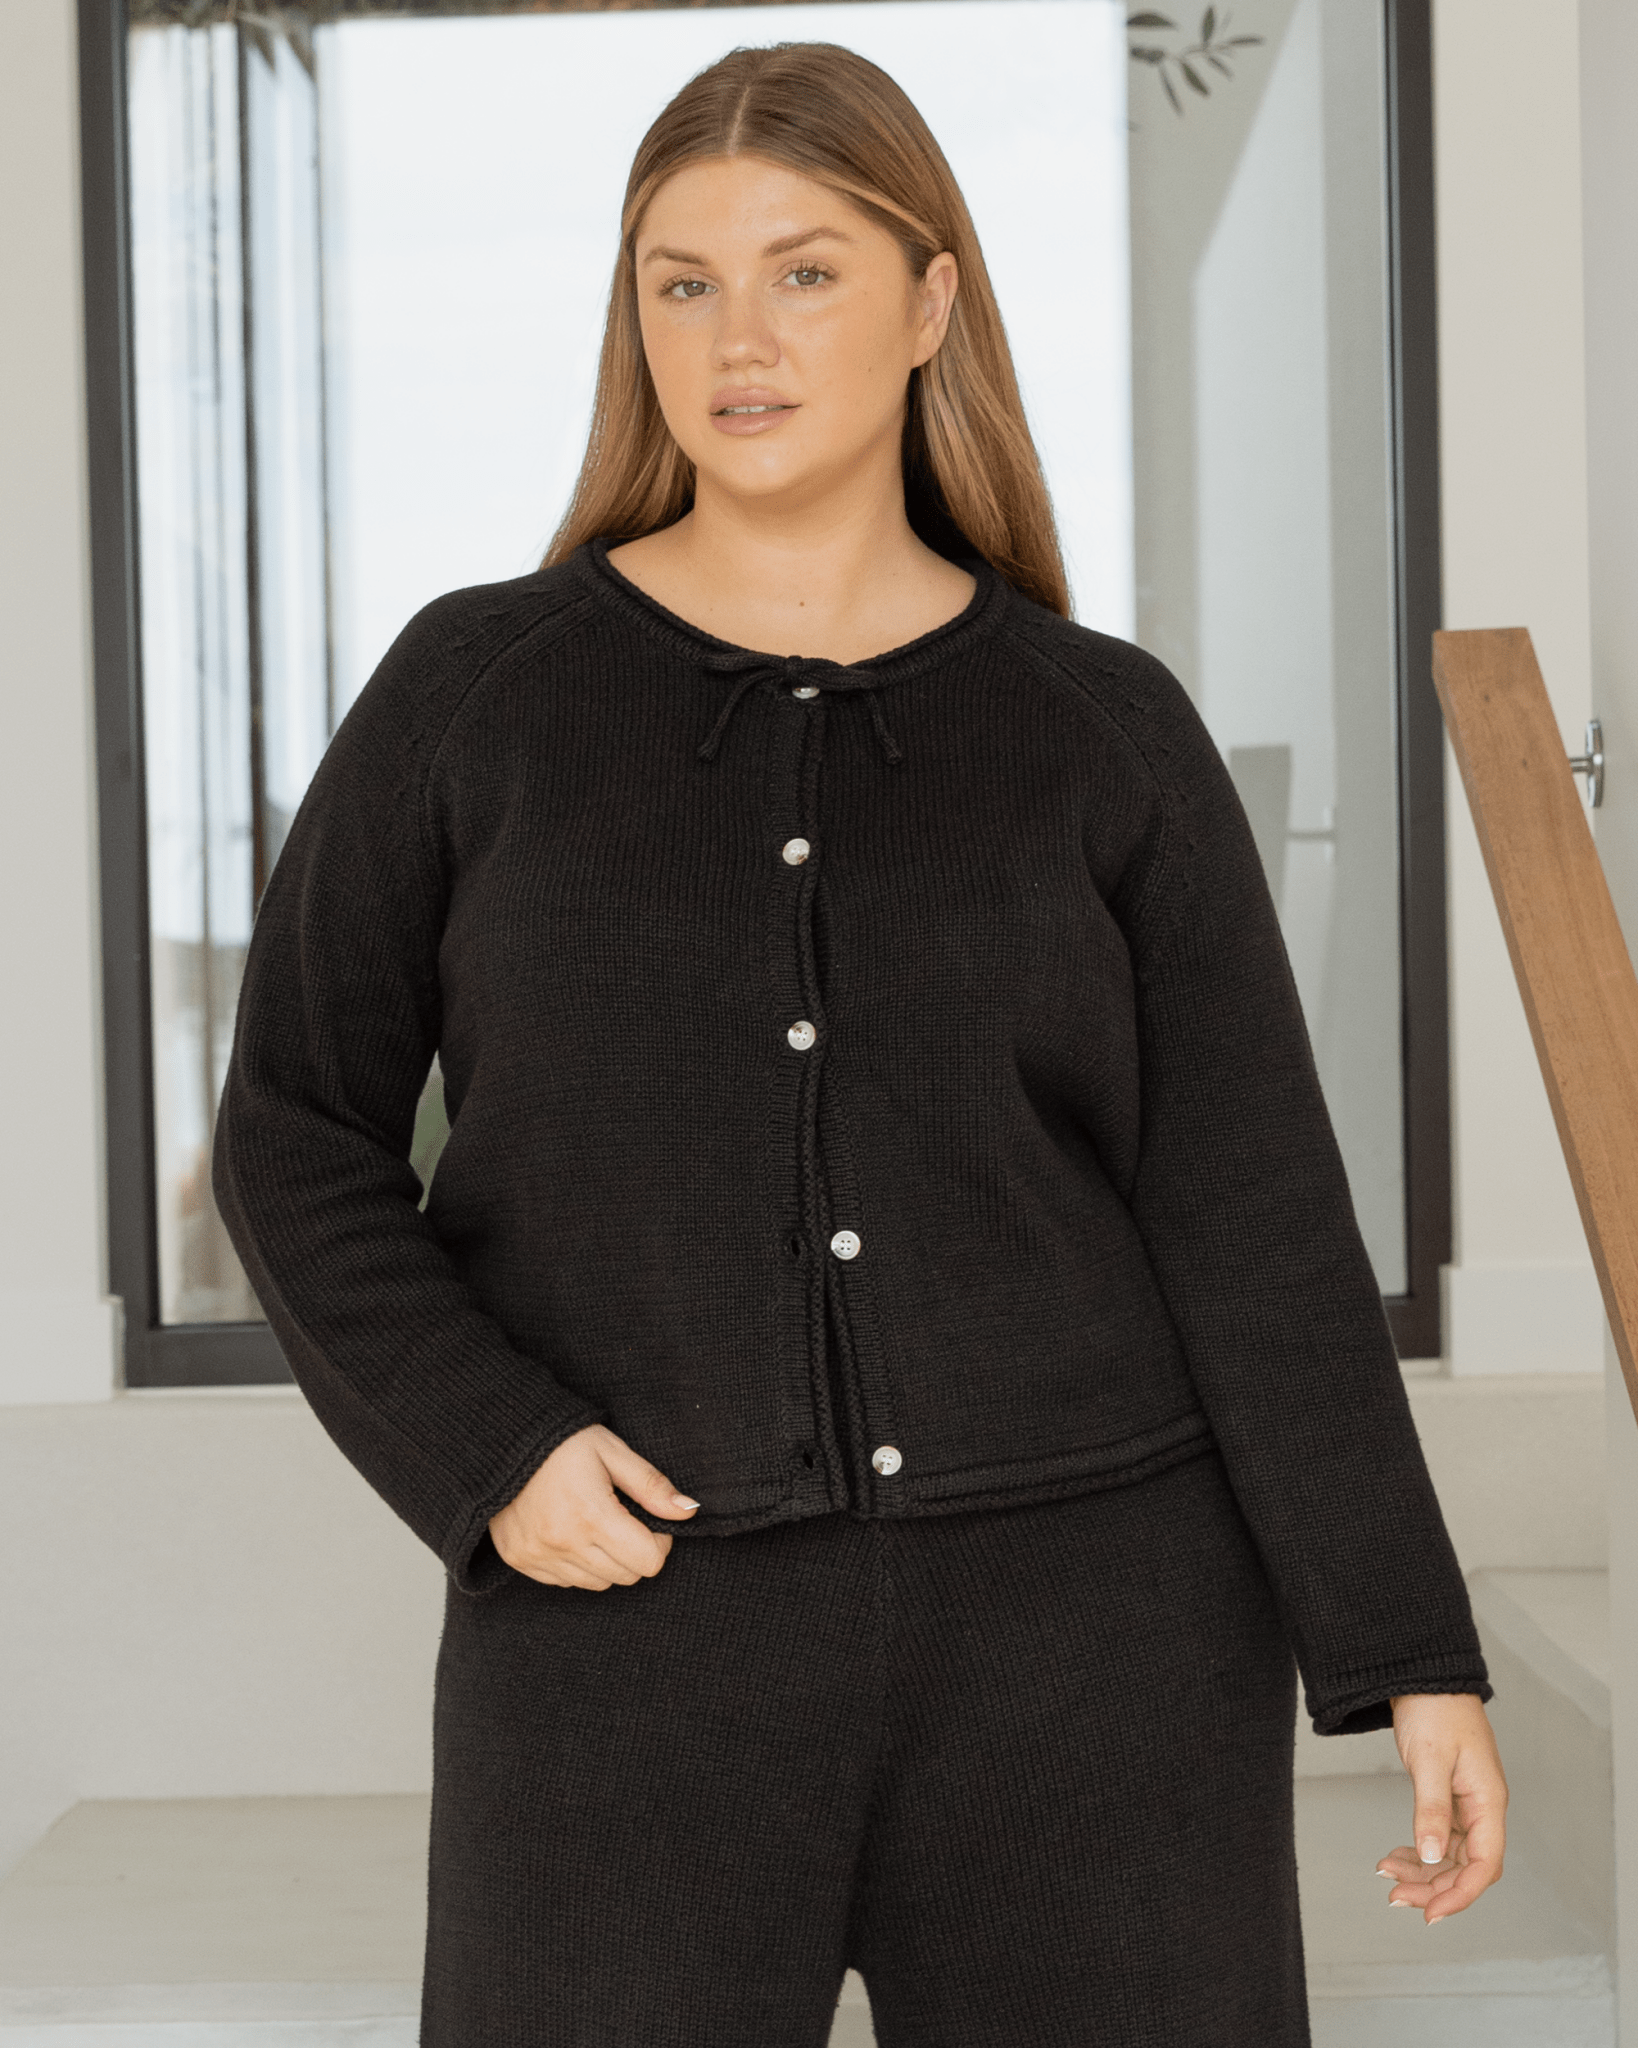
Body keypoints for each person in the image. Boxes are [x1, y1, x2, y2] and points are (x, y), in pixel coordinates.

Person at [213, 40, 1506, 2048]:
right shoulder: (478, 697)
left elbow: (1249, 1211)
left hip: (1099, 1651)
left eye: (805, 271)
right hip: (628, 1644)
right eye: (683, 281)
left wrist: (1409, 1643)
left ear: (929, 304)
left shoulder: (1104, 732)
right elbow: (296, 1132)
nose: (737, 335)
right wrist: (493, 1447)